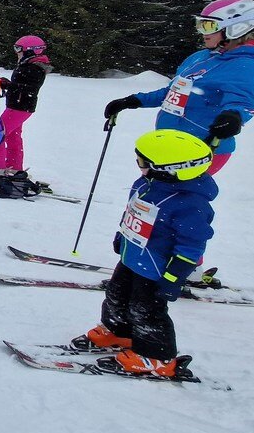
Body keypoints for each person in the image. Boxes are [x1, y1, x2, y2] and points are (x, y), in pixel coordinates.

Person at [73, 129, 216, 379]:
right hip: (132, 257)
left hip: (156, 268)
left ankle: (157, 357)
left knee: (146, 309)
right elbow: (133, 211)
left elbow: (192, 244)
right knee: (116, 293)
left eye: (143, 162)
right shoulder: (147, 184)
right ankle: (120, 332)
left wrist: (174, 276)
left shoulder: (191, 205)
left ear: (169, 169)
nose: (139, 166)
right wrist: (122, 234)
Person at [103, 0, 254, 176]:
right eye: (200, 24)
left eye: (209, 26)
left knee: (171, 192)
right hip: (170, 139)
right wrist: (133, 101)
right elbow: (175, 91)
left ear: (236, 28)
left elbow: (243, 102)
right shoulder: (201, 57)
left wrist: (233, 116)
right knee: (149, 190)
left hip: (202, 146)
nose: (202, 32)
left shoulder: (244, 65)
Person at [0, 35, 51, 177]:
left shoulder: (34, 68)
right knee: (13, 136)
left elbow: (27, 87)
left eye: (19, 48)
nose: (17, 52)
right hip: (18, 106)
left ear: (31, 50)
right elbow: (20, 85)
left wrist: (8, 85)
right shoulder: (28, 64)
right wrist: (5, 84)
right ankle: (14, 166)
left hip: (20, 107)